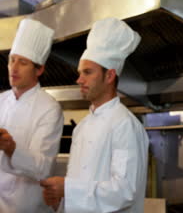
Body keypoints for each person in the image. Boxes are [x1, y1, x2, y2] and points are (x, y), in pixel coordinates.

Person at [40, 18, 149, 212]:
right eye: (80, 72)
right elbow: (77, 187)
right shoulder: (81, 127)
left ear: (109, 76)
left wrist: (67, 188)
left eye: (88, 72)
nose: (79, 79)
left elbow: (124, 191)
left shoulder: (125, 125)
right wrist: (60, 199)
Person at [0, 18, 64, 212]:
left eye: (23, 62)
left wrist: (11, 149)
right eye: (12, 60)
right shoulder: (0, 101)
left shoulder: (49, 108)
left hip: (27, 207)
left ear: (39, 69)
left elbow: (42, 167)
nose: (14, 67)